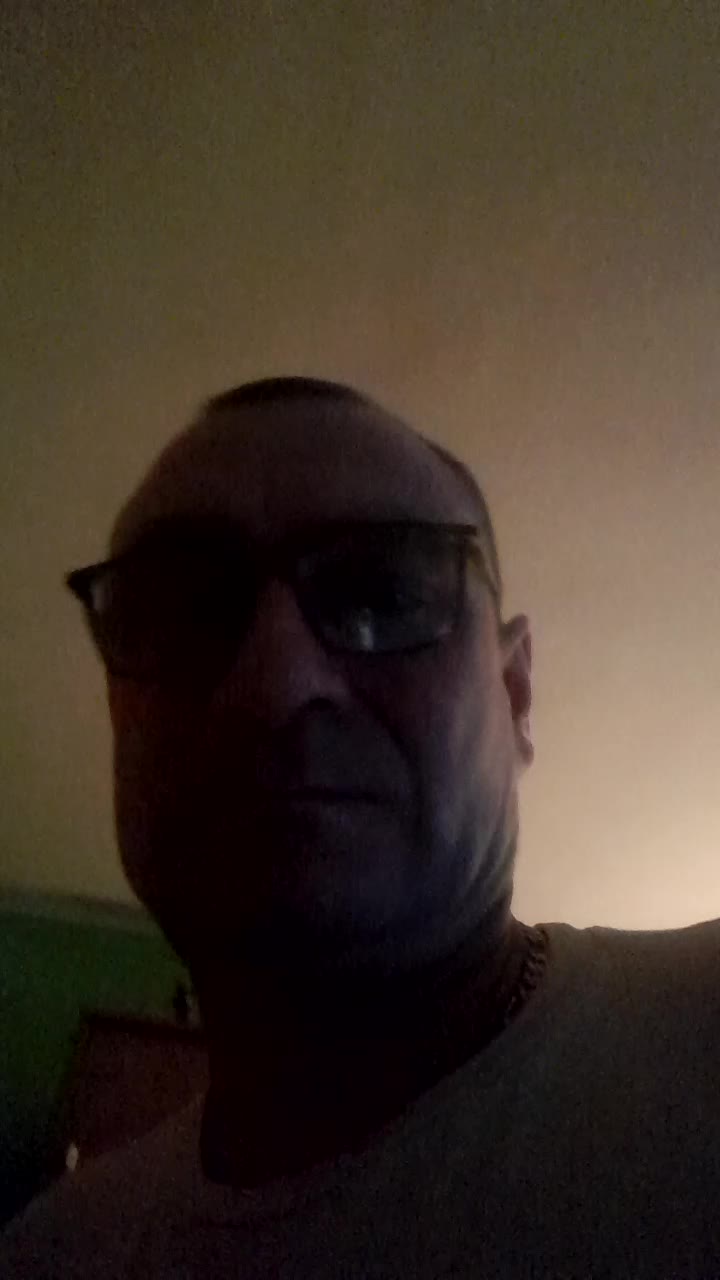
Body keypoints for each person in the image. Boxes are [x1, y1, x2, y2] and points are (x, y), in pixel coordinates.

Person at [3, 377, 719, 1278]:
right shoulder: (52, 1254)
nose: (275, 687)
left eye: (383, 592)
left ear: (515, 694)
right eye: (183, 609)